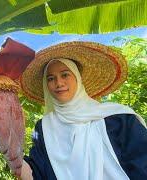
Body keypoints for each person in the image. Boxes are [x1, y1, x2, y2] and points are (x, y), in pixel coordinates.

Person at [18, 41, 147, 180]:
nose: (59, 83)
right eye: (51, 78)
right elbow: (37, 173)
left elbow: (142, 163)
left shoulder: (118, 117)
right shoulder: (43, 127)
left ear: (77, 78)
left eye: (65, 75)